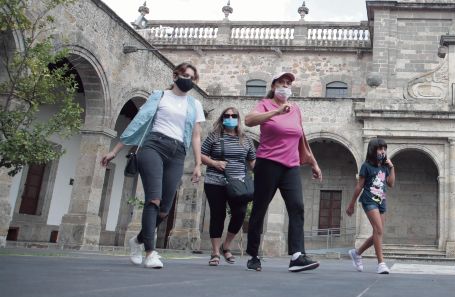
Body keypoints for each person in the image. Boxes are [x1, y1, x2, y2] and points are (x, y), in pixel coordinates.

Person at [101, 62, 205, 269]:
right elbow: (139, 123)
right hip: (153, 146)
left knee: (165, 209)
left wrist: (198, 164)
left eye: (192, 78)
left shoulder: (195, 105)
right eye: (185, 75)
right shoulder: (159, 96)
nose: (188, 80)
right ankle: (150, 251)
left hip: (178, 152)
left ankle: (137, 241)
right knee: (154, 200)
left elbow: (196, 135)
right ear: (175, 76)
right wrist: (115, 150)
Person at [244, 71, 323, 272]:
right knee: (260, 208)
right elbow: (249, 120)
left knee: (297, 206)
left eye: (288, 83)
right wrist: (275, 112)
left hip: (291, 166)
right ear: (273, 86)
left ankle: (297, 256)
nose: (285, 86)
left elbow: (301, 138)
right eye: (281, 82)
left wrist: (313, 162)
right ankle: (253, 255)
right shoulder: (265, 104)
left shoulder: (295, 109)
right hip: (267, 163)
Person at [200, 107, 256, 266]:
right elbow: (202, 155)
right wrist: (213, 163)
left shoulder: (246, 139)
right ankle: (215, 252)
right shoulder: (214, 136)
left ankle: (227, 245)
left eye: (234, 115)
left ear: (238, 119)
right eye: (227, 115)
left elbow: (252, 161)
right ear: (222, 118)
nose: (230, 118)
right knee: (217, 215)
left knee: (240, 214)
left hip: (238, 184)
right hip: (215, 181)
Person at [346, 138, 396, 274]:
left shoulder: (385, 166)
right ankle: (381, 263)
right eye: (380, 149)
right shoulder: (366, 166)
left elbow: (391, 184)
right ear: (373, 150)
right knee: (378, 230)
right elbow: (359, 186)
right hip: (369, 200)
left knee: (378, 233)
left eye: (384, 149)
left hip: (381, 202)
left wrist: (391, 167)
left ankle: (357, 253)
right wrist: (351, 204)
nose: (383, 151)